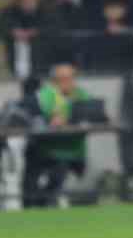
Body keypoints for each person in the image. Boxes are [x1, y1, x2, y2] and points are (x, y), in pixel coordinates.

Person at [24, 63, 90, 209]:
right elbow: (41, 118)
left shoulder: (81, 94)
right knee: (45, 165)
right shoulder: (45, 96)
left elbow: (91, 112)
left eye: (71, 78)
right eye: (64, 79)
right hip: (48, 150)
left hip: (74, 150)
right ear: (55, 81)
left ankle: (46, 201)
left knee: (60, 169)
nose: (69, 82)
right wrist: (53, 120)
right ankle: (37, 202)